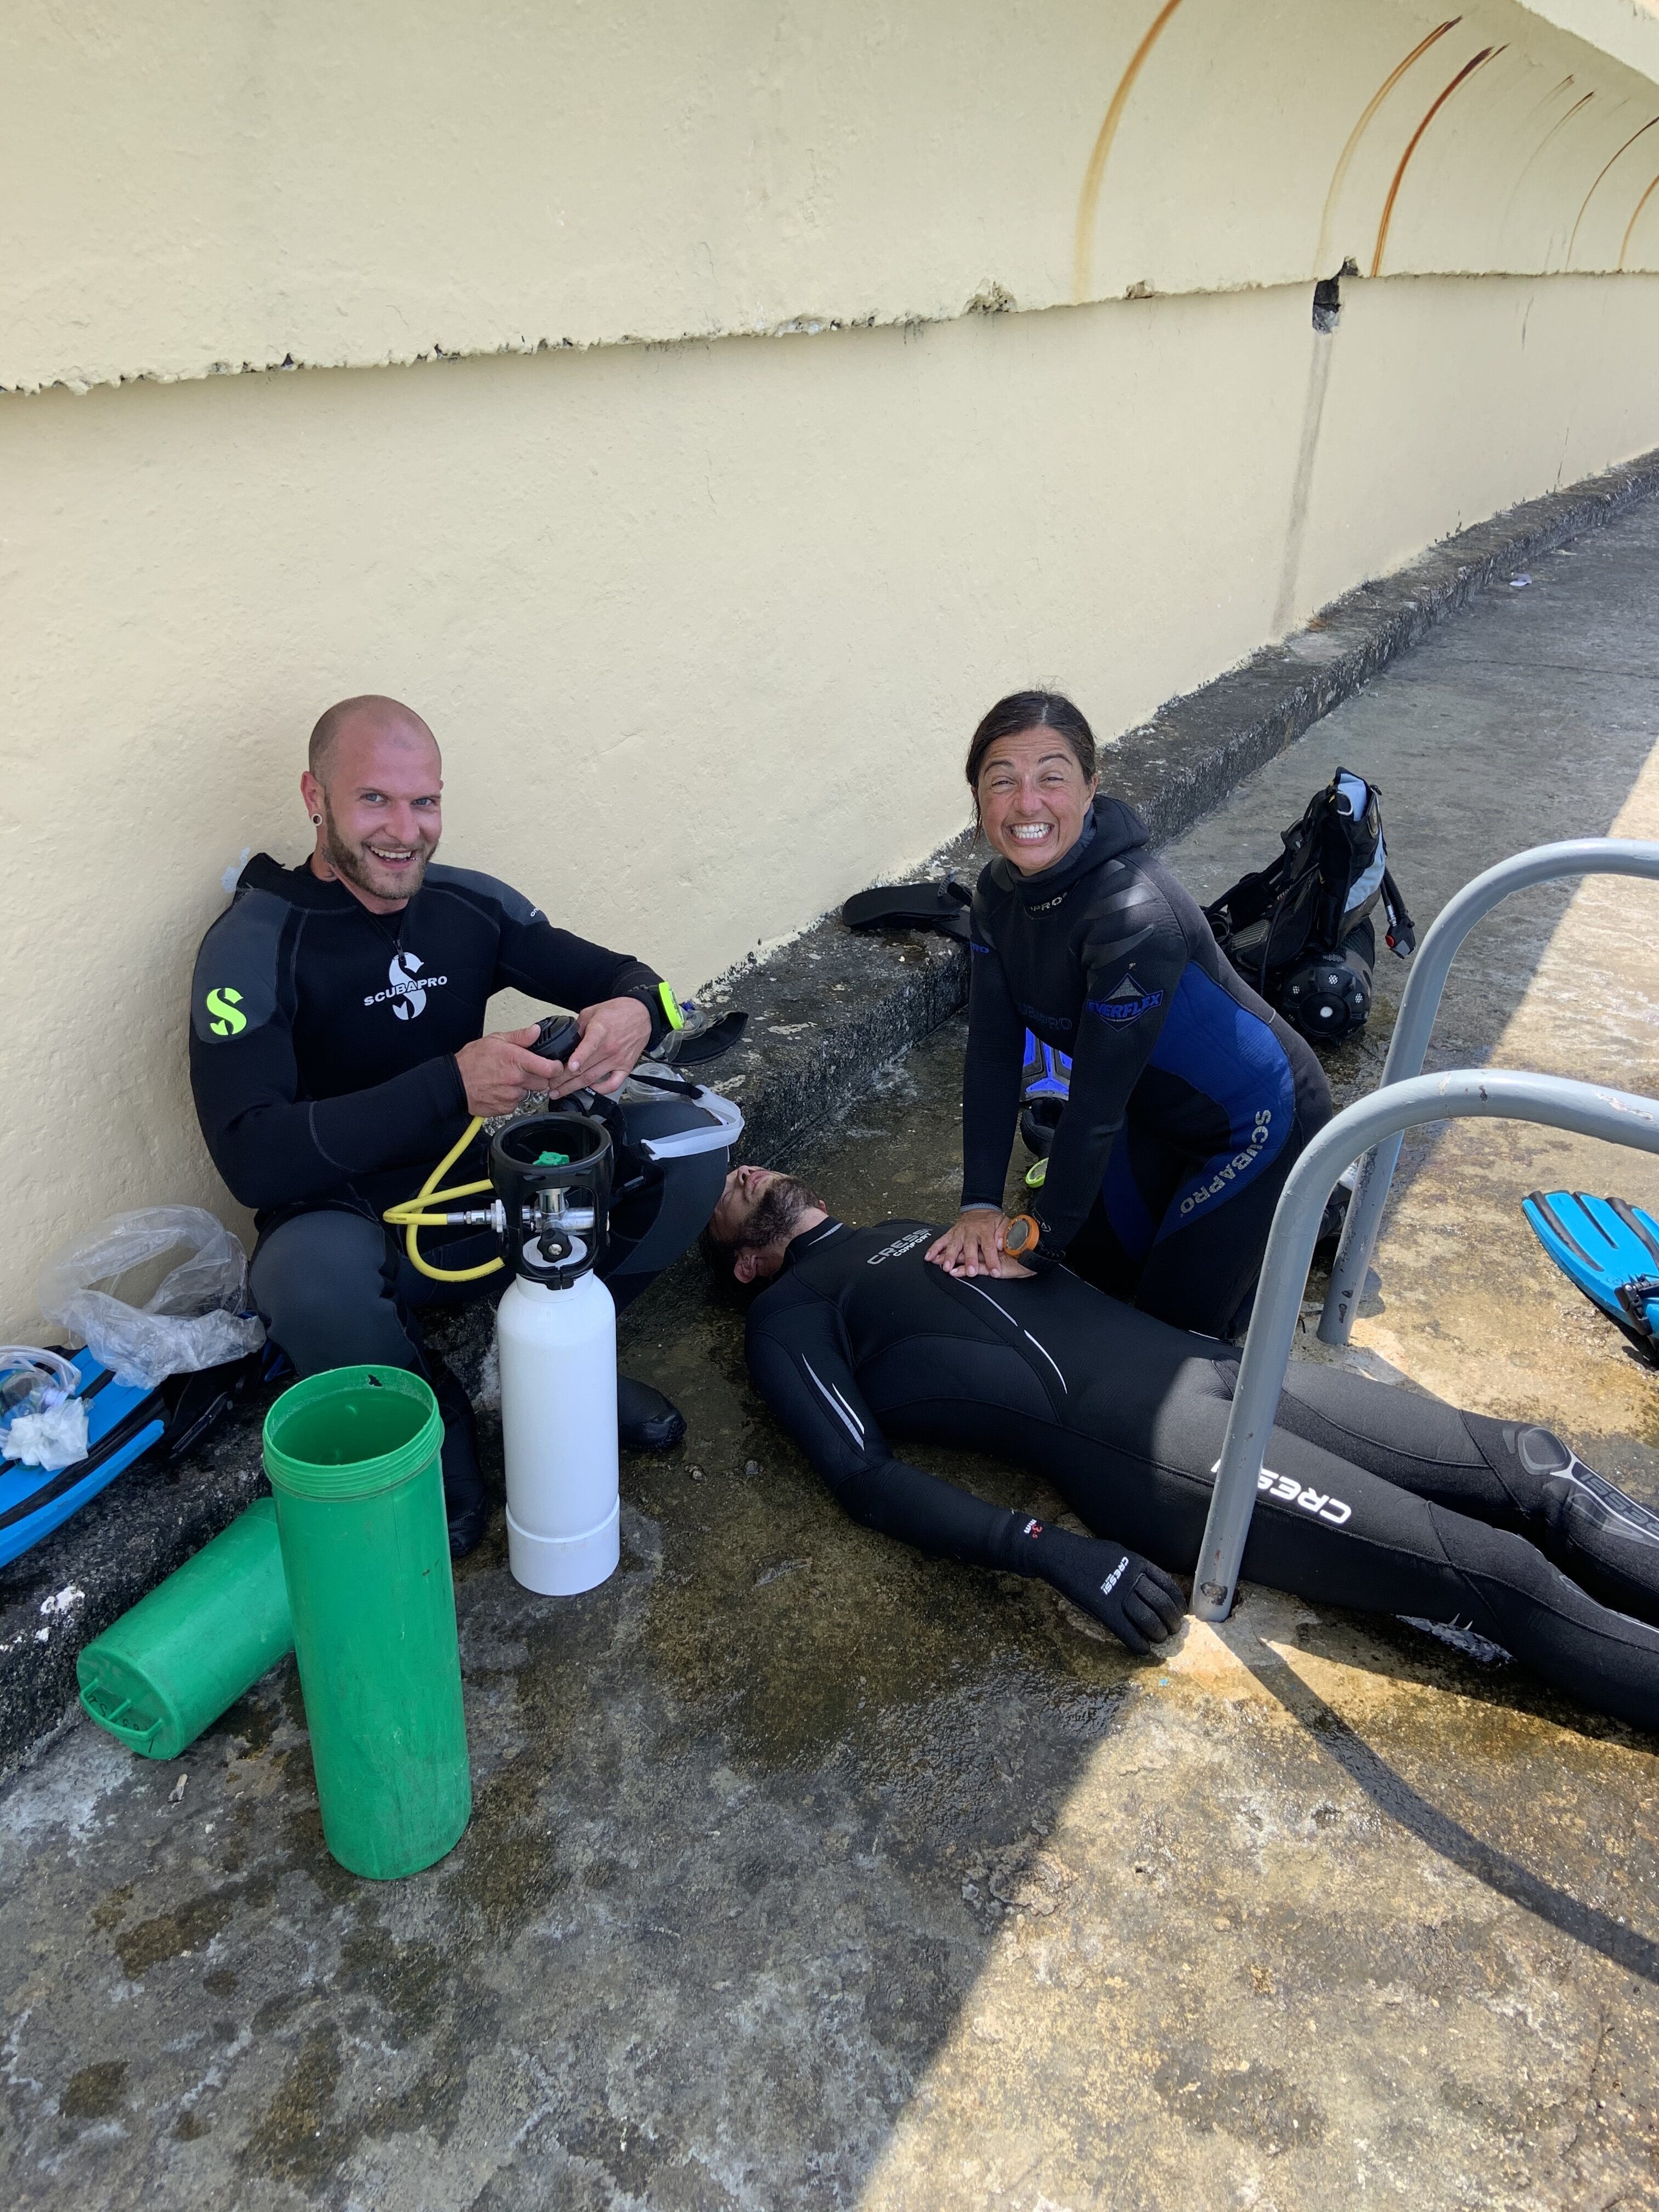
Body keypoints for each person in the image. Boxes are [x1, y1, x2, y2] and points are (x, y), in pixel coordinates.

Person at [704, 1166, 1659, 1731]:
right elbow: (862, 1478)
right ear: (744, 1263)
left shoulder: (914, 1229)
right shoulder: (787, 1315)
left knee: (1532, 1465)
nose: (740, 1172)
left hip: (1212, 1367)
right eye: (722, 1196)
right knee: (1494, 1573)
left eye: (740, 1164)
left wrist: (1039, 1234)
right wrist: (1046, 1548)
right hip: (1148, 1445)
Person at [191, 695, 711, 1557]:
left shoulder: (469, 904)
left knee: (687, 1143)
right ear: (315, 798)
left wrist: (637, 1013)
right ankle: (436, 1415)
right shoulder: (255, 941)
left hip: (486, 1197)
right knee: (300, 1278)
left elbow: (630, 979)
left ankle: (560, 1363)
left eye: (424, 801)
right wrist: (450, 1085)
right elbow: (251, 1156)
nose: (405, 832)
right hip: (353, 1224)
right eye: (374, 800)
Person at [927, 691, 1334, 1337]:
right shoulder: (997, 896)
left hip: (1255, 1124)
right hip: (1147, 1116)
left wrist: (1042, 1239)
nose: (1027, 804)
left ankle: (1298, 1214)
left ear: (1092, 788)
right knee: (1085, 1287)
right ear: (978, 796)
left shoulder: (1134, 915)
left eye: (1052, 778)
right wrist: (979, 1205)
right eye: (1002, 781)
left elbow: (1093, 1105)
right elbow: (994, 1055)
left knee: (1164, 1338)